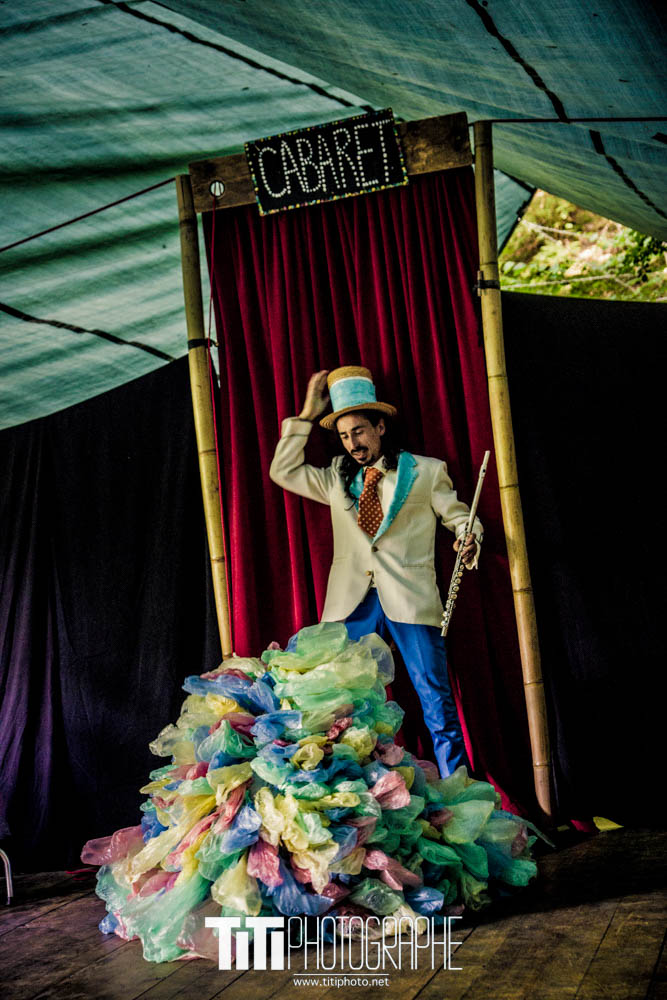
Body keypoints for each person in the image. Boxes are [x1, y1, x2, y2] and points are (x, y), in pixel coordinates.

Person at [269, 365, 483, 778]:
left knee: (435, 701)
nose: (352, 443)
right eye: (345, 435)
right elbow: (283, 472)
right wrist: (307, 416)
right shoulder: (334, 477)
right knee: (339, 702)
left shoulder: (426, 470)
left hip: (411, 598)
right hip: (351, 603)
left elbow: (460, 516)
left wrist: (467, 536)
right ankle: (361, 791)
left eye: (360, 432)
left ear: (380, 427)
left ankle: (458, 789)